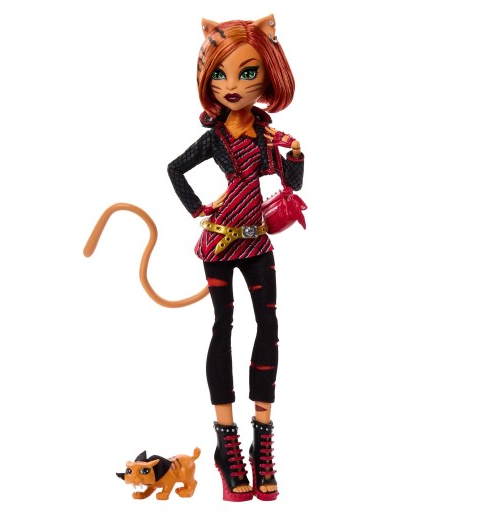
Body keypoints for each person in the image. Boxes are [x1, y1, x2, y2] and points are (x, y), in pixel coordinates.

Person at [167, 14, 305, 502]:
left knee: (268, 324)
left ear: (268, 75)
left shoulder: (267, 138)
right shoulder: (215, 138)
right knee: (222, 325)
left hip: (258, 241)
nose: (231, 86)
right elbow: (175, 169)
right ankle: (227, 444)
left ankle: (261, 440)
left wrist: (295, 154)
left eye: (247, 73)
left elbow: (292, 185)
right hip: (221, 243)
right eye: (220, 75)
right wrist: (198, 210)